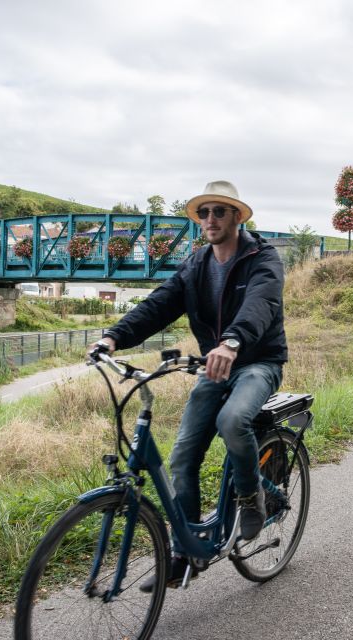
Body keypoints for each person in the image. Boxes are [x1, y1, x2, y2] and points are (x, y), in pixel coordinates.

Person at [91, 180, 287, 588]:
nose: (210, 219)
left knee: (233, 422)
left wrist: (232, 342)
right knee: (181, 457)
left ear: (237, 217)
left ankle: (252, 498)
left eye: (219, 211)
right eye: (204, 213)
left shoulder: (262, 258)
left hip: (256, 361)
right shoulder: (196, 264)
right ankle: (185, 550)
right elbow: (159, 304)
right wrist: (113, 336)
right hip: (213, 366)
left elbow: (262, 303)